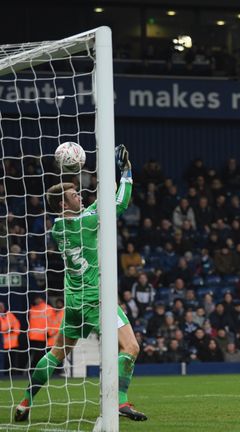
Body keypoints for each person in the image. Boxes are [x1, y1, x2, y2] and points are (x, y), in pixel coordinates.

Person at [15, 145, 147, 422]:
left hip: (73, 301)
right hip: (97, 300)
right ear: (64, 204)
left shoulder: (58, 227)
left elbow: (98, 204)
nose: (80, 196)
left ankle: (25, 402)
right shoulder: (86, 222)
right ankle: (120, 402)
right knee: (131, 347)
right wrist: (126, 173)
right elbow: (119, 203)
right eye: (75, 195)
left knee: (57, 353)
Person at [0, 301, 21, 375]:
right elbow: (3, 328)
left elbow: (17, 324)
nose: (1, 308)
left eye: (2, 306)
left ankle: (14, 376)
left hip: (13, 343)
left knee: (13, 362)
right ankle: (3, 376)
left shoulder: (9, 315)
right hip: (3, 344)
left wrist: (12, 330)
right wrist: (8, 329)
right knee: (3, 361)